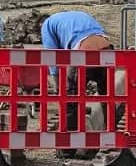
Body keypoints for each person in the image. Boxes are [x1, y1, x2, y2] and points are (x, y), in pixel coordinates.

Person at [36, 10, 117, 156]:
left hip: (83, 51)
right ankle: (111, 140)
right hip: (106, 49)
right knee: (108, 97)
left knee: (71, 100)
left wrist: (60, 88)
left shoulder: (47, 25)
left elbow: (52, 58)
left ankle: (68, 149)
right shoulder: (74, 16)